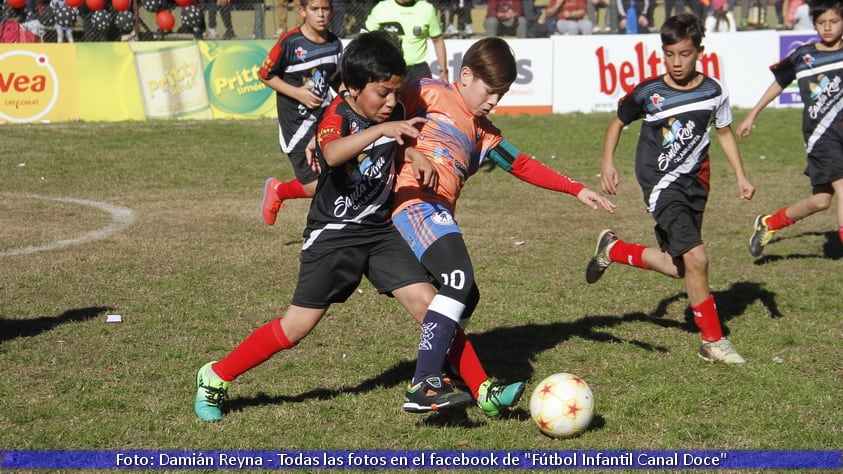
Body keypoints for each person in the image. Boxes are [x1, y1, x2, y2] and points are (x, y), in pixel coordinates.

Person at [194, 31, 478, 423]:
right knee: (297, 327)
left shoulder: (387, 113)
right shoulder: (338, 116)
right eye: (382, 93)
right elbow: (331, 152)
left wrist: (412, 151)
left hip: (379, 233)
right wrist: (382, 131)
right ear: (354, 87)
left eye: (396, 93)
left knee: (431, 305)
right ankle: (215, 375)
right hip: (333, 235)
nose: (392, 102)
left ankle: (483, 389)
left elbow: (392, 142)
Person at [391, 37, 615, 409]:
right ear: (465, 75)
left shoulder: (484, 132)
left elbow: (522, 164)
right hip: (412, 203)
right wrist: (410, 152)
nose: (494, 101)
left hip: (438, 212)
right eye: (490, 91)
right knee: (458, 280)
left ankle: (458, 377)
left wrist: (575, 189)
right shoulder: (425, 92)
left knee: (466, 295)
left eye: (502, 93)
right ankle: (424, 383)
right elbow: (382, 121)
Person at [587, 13, 756, 364]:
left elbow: (723, 132)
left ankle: (614, 249)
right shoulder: (649, 93)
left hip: (697, 184)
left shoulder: (714, 91)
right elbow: (617, 122)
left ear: (700, 52)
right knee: (697, 257)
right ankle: (712, 341)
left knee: (680, 266)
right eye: (669, 54)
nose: (677, 62)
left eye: (684, 54)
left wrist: (741, 175)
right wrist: (607, 164)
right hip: (660, 183)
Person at [737, 0, 843, 255]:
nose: (827, 28)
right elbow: (778, 83)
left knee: (821, 200)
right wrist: (752, 114)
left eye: (834, 22)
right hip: (821, 137)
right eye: (821, 23)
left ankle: (769, 223)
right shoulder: (804, 55)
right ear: (814, 24)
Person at [259, 0, 342, 227]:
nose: (321, 14)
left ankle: (332, 226)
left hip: (323, 119)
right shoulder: (289, 42)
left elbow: (336, 80)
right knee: (316, 184)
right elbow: (265, 74)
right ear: (303, 11)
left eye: (325, 9)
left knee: (337, 174)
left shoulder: (335, 44)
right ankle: (278, 190)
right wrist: (297, 93)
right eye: (315, 9)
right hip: (296, 125)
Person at [364, 0, 449, 85]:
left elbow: (438, 40)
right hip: (389, 69)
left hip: (418, 71)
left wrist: (443, 71)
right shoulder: (381, 8)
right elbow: (365, 38)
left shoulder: (426, 9)